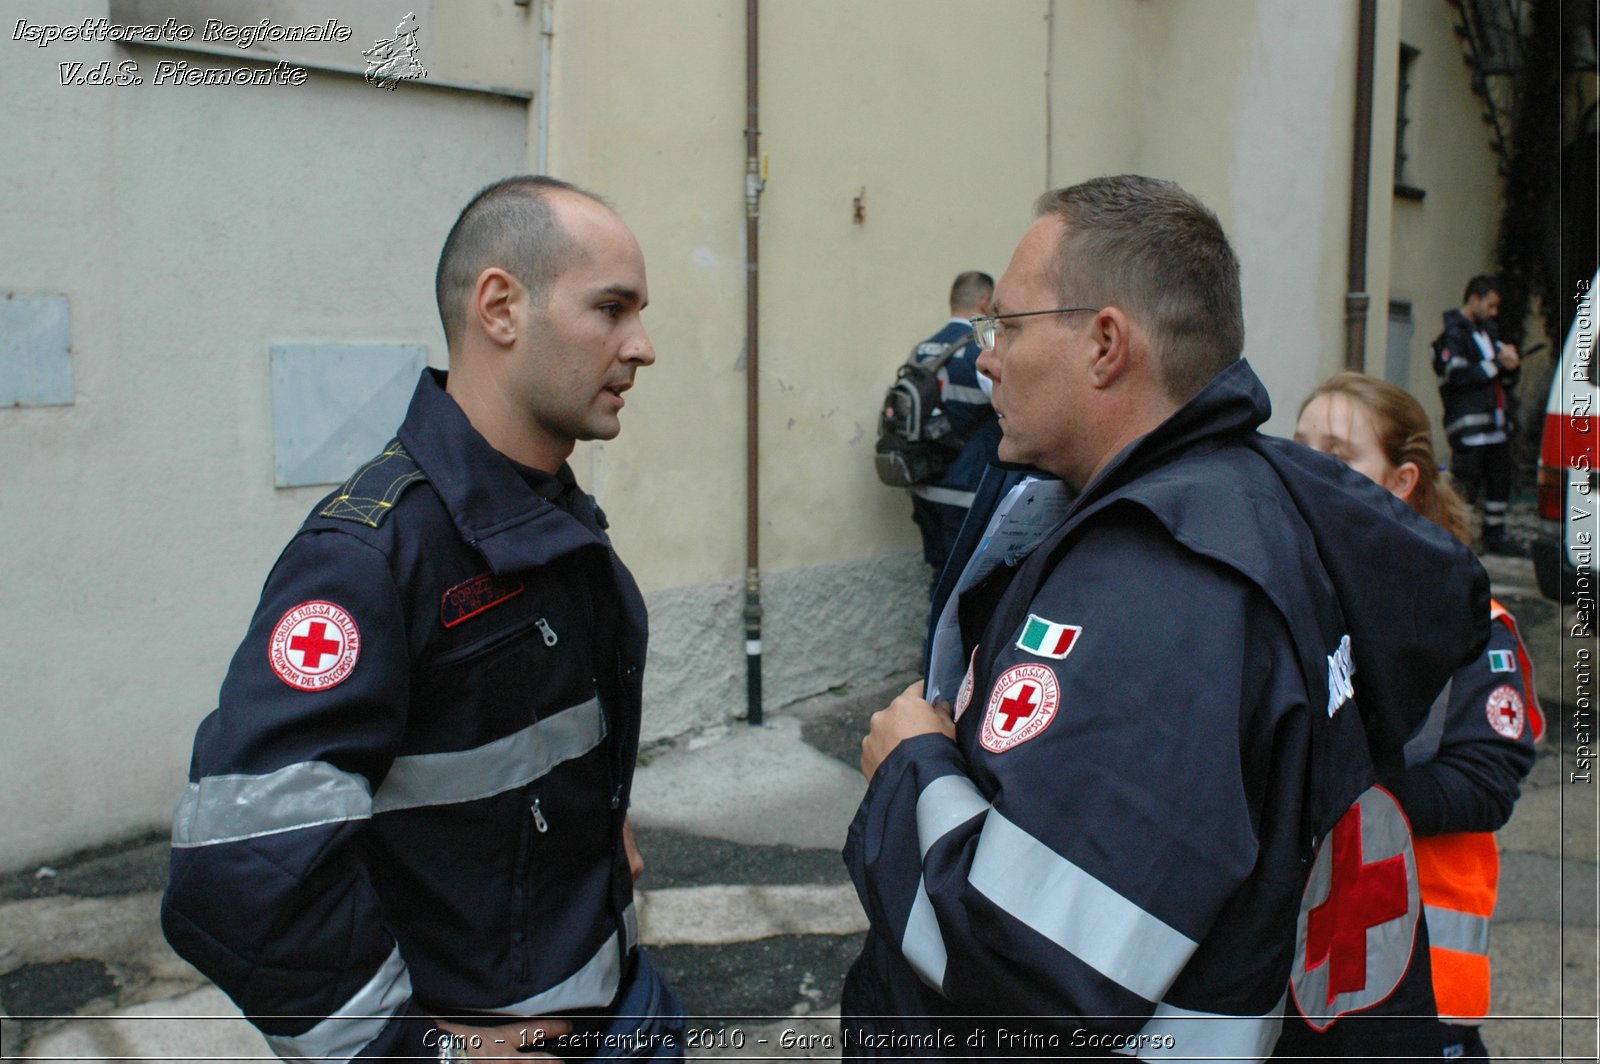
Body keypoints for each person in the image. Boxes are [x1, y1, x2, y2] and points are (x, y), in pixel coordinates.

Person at [842, 175, 1488, 1059]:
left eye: (1008, 326)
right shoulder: (1241, 506)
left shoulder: (1165, 582)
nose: (984, 357)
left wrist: (908, 767)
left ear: (1106, 343)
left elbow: (1036, 972)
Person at [161, 176, 685, 1062]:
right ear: (500, 308)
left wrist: (594, 815)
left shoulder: (543, 510)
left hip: (618, 996)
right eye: (611, 309)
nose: (642, 346)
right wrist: (421, 1052)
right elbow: (239, 864)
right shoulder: (368, 558)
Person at [1282, 372, 1542, 1061]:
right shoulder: (1286, 604)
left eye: (1337, 455)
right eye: (1298, 446)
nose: (1307, 469)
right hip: (1285, 978)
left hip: (1415, 982)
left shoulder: (1476, 626)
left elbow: (1486, 781)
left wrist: (1329, 794)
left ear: (1400, 481)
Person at [908, 271, 1001, 584]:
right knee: (964, 587)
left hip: (924, 486)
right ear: (984, 301)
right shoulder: (982, 354)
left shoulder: (921, 350)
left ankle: (932, 635)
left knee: (940, 578)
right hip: (966, 489)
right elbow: (1008, 408)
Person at [1432, 275, 1523, 554]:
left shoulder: (1487, 333)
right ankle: (1460, 539)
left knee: (1499, 482)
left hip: (1496, 425)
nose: (1494, 313)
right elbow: (1457, 376)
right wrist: (1496, 364)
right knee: (1466, 486)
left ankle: (1495, 536)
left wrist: (1511, 366)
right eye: (1491, 305)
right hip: (1469, 428)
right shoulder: (1451, 337)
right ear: (1474, 299)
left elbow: (1500, 379)